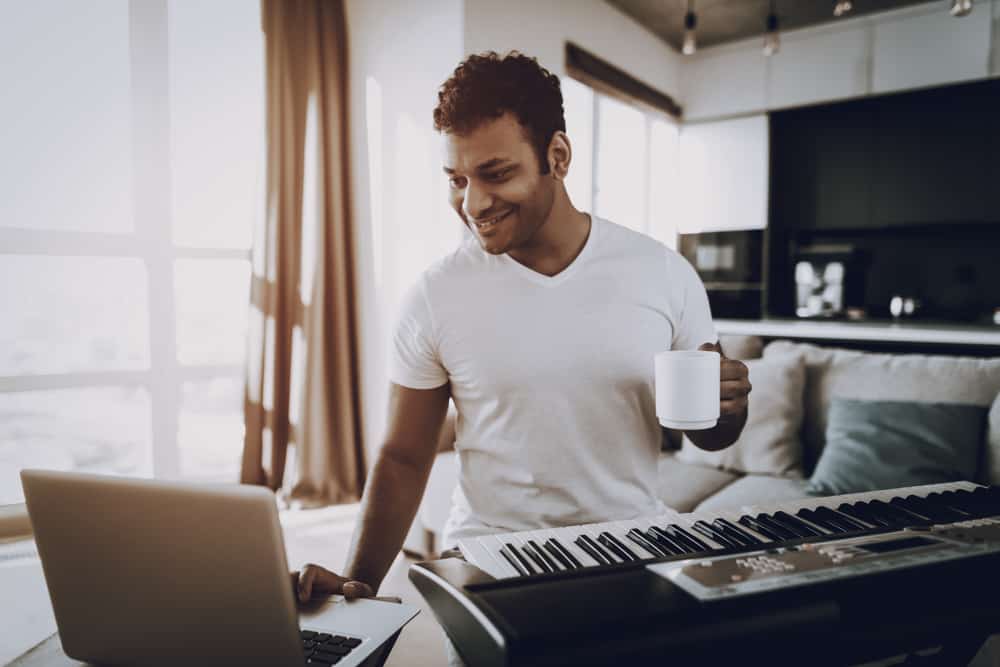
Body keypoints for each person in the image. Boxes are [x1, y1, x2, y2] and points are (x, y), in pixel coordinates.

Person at [291, 51, 751, 664]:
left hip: (633, 544)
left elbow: (711, 435)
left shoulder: (662, 273)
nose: (473, 204)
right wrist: (359, 588)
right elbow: (403, 455)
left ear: (557, 156)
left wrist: (730, 407)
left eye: (495, 173)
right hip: (488, 555)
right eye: (457, 179)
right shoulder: (436, 294)